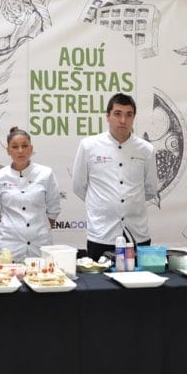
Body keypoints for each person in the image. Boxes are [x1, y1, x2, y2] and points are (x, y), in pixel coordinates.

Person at [72, 93, 158, 260]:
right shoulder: (89, 146)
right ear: (107, 116)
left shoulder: (146, 150)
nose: (123, 120)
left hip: (137, 234)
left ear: (134, 117)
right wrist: (104, 204)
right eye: (117, 114)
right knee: (100, 284)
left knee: (140, 283)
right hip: (102, 234)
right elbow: (79, 186)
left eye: (129, 114)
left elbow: (150, 189)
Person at [0, 127, 61, 261]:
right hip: (9, 246)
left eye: (24, 146)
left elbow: (53, 208)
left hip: (39, 244)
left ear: (31, 148)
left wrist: (38, 229)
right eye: (15, 147)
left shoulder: (45, 173)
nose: (20, 151)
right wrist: (13, 228)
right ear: (8, 150)